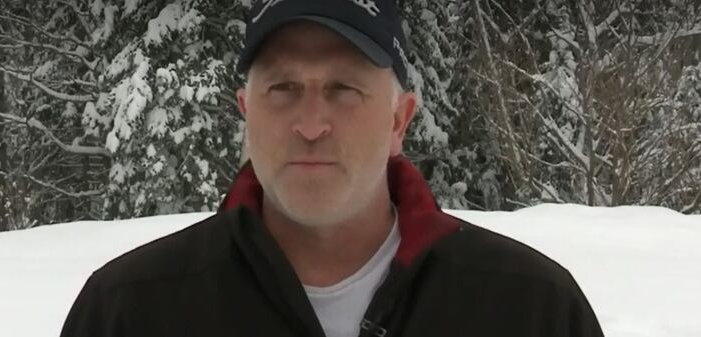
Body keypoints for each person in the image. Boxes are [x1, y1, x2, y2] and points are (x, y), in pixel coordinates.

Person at [61, 0, 605, 336]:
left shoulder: (529, 310)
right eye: (283, 88)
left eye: (344, 88)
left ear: (400, 120)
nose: (312, 123)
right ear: (246, 113)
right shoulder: (131, 312)